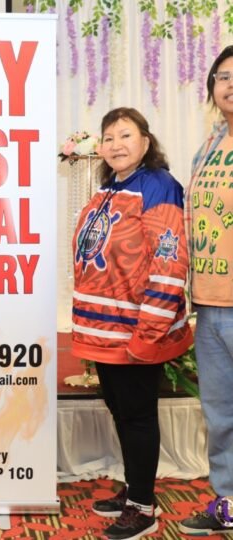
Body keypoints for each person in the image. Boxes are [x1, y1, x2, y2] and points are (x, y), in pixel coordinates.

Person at [71, 107, 193, 540]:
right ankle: (135, 489)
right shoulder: (110, 187)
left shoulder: (159, 186)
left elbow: (169, 261)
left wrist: (149, 332)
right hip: (107, 332)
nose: (115, 144)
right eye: (108, 137)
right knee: (122, 412)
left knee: (137, 416)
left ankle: (143, 509)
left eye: (125, 135)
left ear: (146, 140)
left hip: (136, 330)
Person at [178, 46, 233, 536]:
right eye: (223, 76)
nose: (230, 84)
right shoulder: (210, 146)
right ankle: (227, 502)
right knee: (220, 415)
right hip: (211, 303)